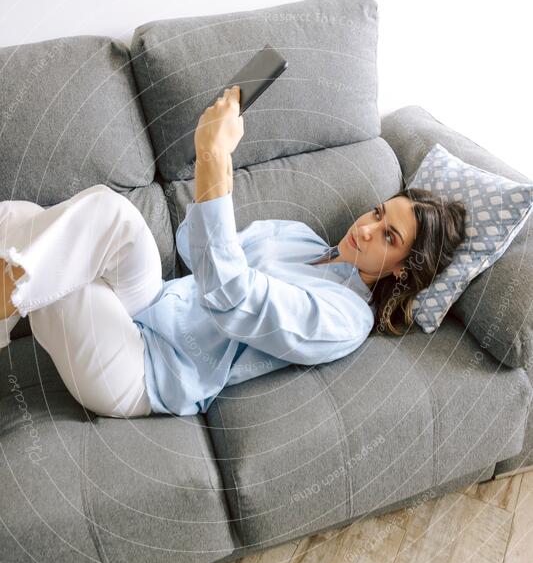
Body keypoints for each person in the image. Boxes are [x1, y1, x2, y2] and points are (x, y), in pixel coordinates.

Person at [0, 86, 466, 418]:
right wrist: (209, 184)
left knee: (59, 277)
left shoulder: (345, 319)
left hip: (144, 372)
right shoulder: (299, 236)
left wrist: (215, 160)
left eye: (388, 237)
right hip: (150, 303)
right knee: (72, 212)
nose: (366, 229)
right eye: (377, 213)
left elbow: (232, 297)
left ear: (404, 270)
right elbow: (191, 244)